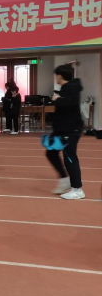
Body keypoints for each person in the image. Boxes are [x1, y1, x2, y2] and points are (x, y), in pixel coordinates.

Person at [47, 65, 85, 200]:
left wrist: (57, 99)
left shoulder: (72, 88)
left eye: (56, 75)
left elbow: (69, 103)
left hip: (70, 129)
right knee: (51, 152)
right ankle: (65, 180)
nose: (55, 78)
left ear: (60, 76)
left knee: (69, 158)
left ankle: (77, 189)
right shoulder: (65, 88)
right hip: (61, 129)